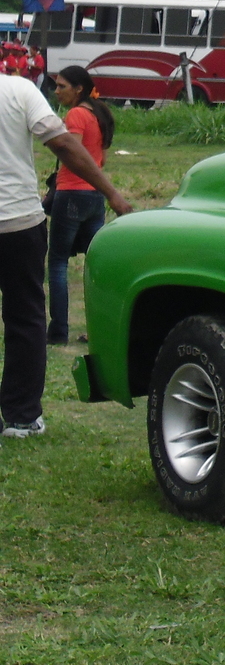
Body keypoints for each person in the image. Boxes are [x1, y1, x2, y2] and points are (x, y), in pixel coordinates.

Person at [0, 71, 131, 438]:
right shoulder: (18, 90)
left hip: (20, 219)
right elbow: (63, 145)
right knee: (25, 318)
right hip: (16, 222)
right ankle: (22, 417)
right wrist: (112, 194)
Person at [46, 65, 115, 344]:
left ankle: (59, 331)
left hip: (72, 193)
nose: (57, 91)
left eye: (62, 86)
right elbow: (103, 159)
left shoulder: (76, 114)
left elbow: (71, 152)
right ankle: (99, 328)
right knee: (94, 263)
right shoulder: (100, 113)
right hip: (95, 196)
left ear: (78, 89)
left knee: (58, 263)